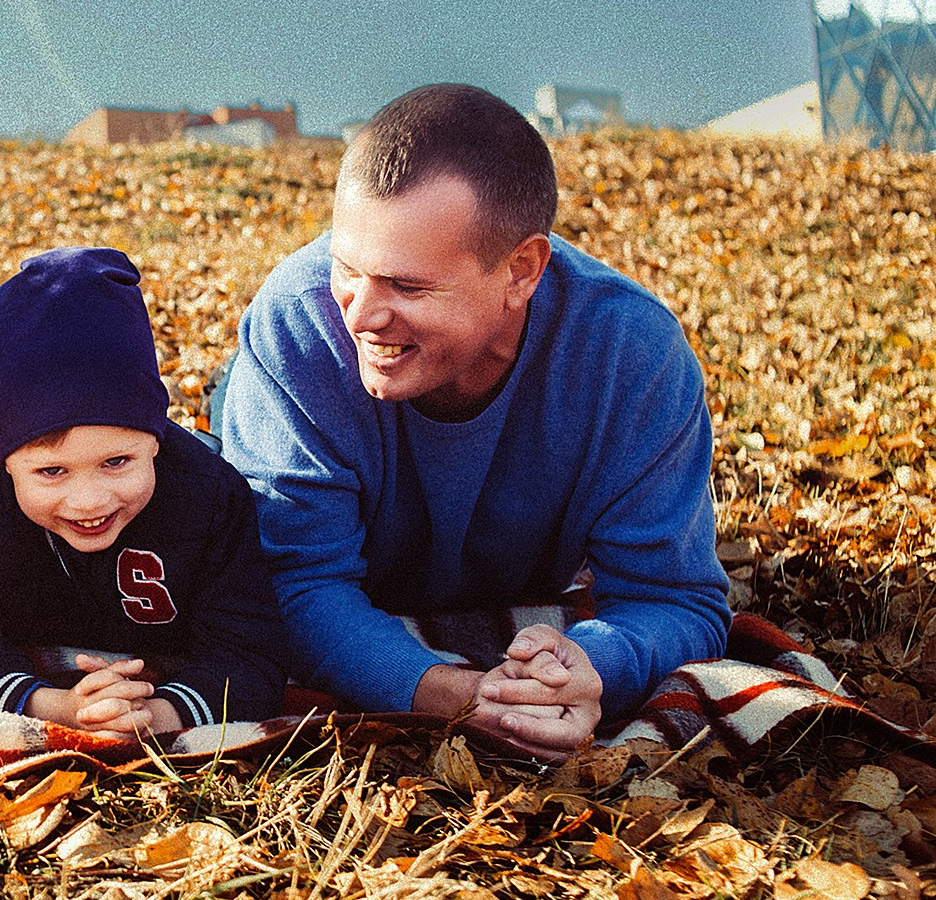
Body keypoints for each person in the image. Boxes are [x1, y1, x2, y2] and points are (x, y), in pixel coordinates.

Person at [219, 83, 729, 761]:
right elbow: (294, 581)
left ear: (521, 270)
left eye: (407, 286)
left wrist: (588, 667)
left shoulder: (632, 357)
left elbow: (677, 599)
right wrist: (450, 693)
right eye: (346, 267)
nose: (359, 315)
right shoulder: (296, 325)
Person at [0, 247, 288, 737]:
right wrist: (59, 707)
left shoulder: (210, 494)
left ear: (154, 439)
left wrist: (155, 715)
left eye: (116, 462)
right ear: (7, 462)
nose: (88, 501)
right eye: (51, 471)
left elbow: (250, 649)